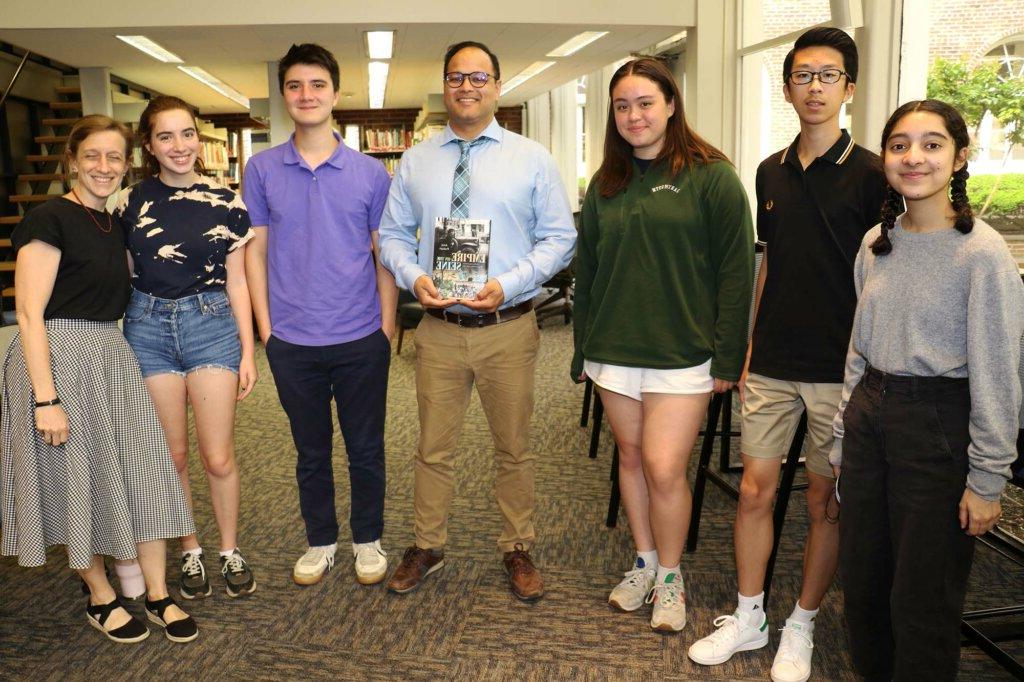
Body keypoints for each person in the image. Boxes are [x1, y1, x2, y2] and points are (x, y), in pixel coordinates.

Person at [688, 28, 886, 682]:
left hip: (840, 369)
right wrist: (747, 347)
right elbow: (770, 264)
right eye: (803, 76)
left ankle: (800, 622)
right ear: (787, 87)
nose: (815, 87)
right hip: (772, 361)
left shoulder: (876, 174)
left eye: (829, 76)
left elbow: (883, 278)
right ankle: (751, 615)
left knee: (823, 501)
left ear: (849, 88)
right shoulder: (770, 169)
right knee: (753, 491)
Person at [832, 99, 1024, 681]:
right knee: (863, 587)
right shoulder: (875, 242)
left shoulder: (982, 253)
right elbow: (857, 352)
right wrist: (843, 439)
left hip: (938, 424)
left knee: (922, 600)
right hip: (871, 415)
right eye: (899, 145)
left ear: (960, 156)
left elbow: (999, 373)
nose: (914, 157)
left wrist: (988, 479)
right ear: (885, 158)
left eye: (933, 144)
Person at [379, 40, 575, 601]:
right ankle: (428, 545)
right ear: (445, 86)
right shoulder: (416, 160)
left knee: (513, 446)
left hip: (507, 327)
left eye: (479, 77)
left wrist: (509, 284)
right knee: (432, 447)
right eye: (457, 77)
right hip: (440, 331)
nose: (467, 86)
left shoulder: (531, 158)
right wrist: (414, 277)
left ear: (497, 85)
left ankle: (517, 546)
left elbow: (561, 238)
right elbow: (391, 235)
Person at [571, 57, 754, 632]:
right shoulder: (606, 183)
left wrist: (729, 356)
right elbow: (590, 270)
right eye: (621, 106)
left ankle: (672, 576)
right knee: (629, 458)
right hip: (613, 349)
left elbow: (735, 272)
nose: (633, 115)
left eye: (644, 102)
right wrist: (581, 350)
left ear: (671, 104)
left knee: (664, 465)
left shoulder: (713, 175)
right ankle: (645, 562)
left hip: (684, 354)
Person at [0, 115, 198, 643]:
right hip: (57, 358)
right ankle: (100, 596)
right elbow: (28, 314)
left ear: (127, 165)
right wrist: (46, 400)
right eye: (93, 156)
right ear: (72, 161)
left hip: (110, 353)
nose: (104, 167)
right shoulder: (49, 218)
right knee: (75, 481)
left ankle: (156, 593)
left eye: (115, 157)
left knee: (144, 468)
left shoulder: (113, 222)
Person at [243, 43, 397, 587]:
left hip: (359, 336)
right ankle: (321, 540)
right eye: (294, 86)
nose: (306, 95)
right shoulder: (260, 170)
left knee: (365, 448)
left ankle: (369, 539)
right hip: (292, 339)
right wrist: (267, 330)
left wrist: (386, 328)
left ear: (335, 94)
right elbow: (255, 253)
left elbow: (385, 257)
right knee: (310, 452)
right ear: (284, 95)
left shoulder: (372, 173)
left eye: (317, 85)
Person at [114, 95, 257, 600]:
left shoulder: (228, 201)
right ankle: (190, 549)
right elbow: (125, 275)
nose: (180, 146)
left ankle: (229, 548)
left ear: (199, 138)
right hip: (148, 329)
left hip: (210, 324)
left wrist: (248, 351)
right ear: (149, 146)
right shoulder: (127, 202)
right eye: (166, 136)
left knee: (217, 455)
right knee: (171, 456)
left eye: (187, 133)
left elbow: (237, 284)